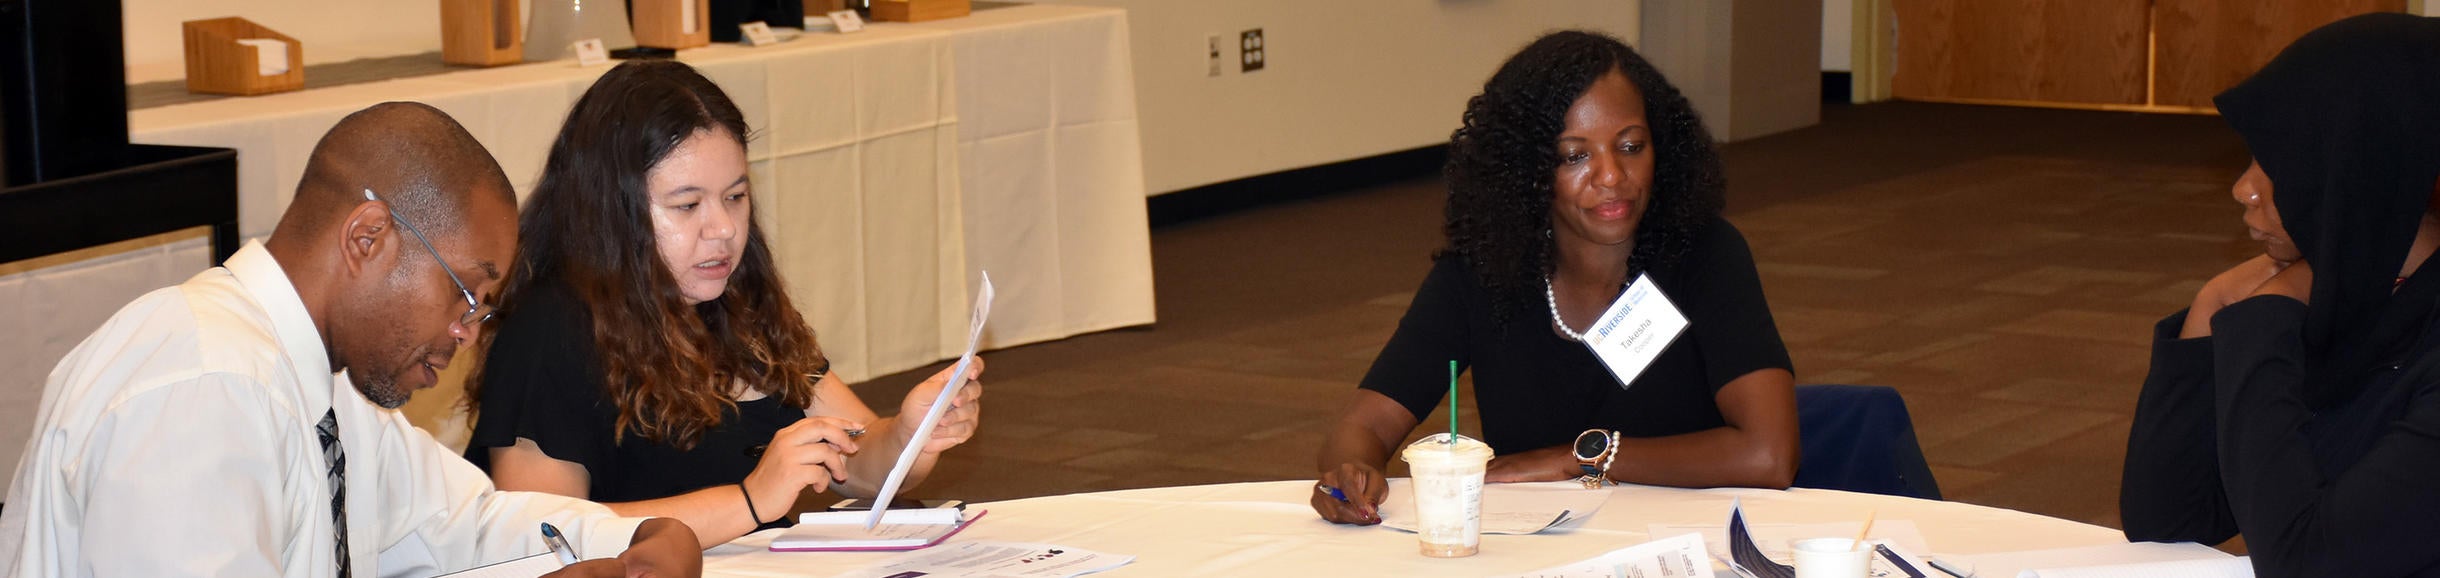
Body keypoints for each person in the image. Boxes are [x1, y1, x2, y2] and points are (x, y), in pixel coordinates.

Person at [0, 102, 702, 577]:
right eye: (467, 293)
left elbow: (463, 521)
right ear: (368, 238)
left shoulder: (329, 381)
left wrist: (639, 542)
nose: (464, 333)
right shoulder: (203, 383)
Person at [461, 59, 983, 548]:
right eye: (687, 205)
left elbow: (862, 467)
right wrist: (750, 501)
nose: (725, 229)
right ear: (610, 213)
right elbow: (544, 535)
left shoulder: (737, 300)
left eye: (735, 196)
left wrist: (911, 436)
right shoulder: (548, 332)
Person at [1311, 30, 1798, 525]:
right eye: (1574, 155)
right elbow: (1363, 425)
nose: (1611, 174)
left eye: (1631, 146)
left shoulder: (1704, 255)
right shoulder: (1483, 273)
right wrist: (1351, 470)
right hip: (1535, 548)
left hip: (1688, 541)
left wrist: (1579, 458)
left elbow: (1769, 455)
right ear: (1524, 170)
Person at [2119, 13, 2440, 578]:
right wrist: (2213, 306)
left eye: (2280, 163)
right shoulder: (2366, 300)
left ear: (2362, 171)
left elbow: (2303, 564)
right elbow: (2168, 516)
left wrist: (2265, 319)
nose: (2243, 188)